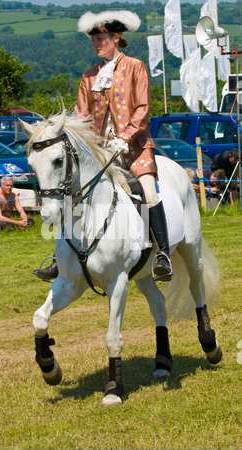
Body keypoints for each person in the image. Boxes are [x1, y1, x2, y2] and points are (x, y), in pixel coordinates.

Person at [33, 10, 172, 282]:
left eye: (101, 39)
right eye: (93, 40)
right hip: (99, 151)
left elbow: (143, 109)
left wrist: (126, 137)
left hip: (135, 148)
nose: (96, 44)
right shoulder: (88, 77)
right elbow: (81, 116)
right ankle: (60, 258)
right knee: (73, 194)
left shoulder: (135, 67)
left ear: (116, 38)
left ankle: (162, 254)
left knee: (147, 193)